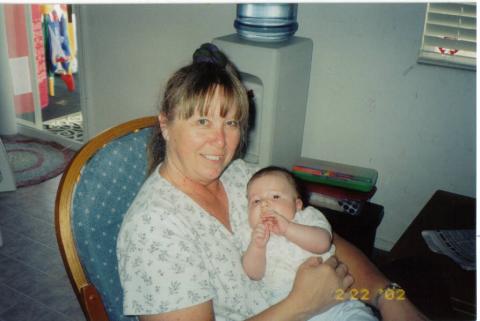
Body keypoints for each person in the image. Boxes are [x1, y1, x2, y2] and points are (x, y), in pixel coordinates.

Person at [116, 43, 429, 321]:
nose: (220, 141)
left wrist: (389, 297)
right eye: (202, 121)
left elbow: (323, 238)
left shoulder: (240, 176)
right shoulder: (153, 228)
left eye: (231, 122)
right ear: (165, 125)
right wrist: (301, 305)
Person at [242, 166, 377, 321]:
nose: (264, 204)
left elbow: (323, 243)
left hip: (335, 304)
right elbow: (254, 274)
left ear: (297, 205)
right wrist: (257, 246)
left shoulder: (307, 217)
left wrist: (288, 229)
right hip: (284, 311)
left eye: (275, 197)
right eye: (256, 201)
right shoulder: (252, 234)